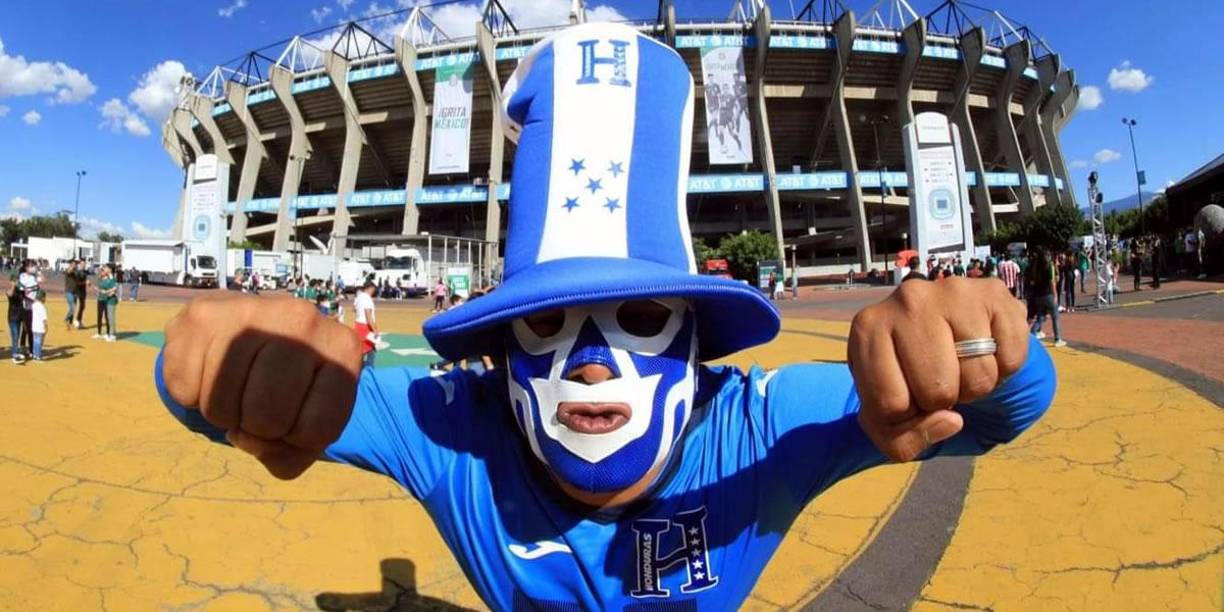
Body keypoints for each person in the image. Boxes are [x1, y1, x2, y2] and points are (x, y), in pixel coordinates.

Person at [155, 24, 1055, 610]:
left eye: (638, 316)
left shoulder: (751, 428)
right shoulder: (455, 428)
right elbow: (212, 398)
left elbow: (999, 410)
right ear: (501, 350)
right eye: (546, 324)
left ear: (698, 344)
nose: (590, 364)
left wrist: (981, 342)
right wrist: (218, 353)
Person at [1027, 251, 1065, 347]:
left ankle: (1033, 333)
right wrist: (1055, 294)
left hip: (1038, 295)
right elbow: (1052, 282)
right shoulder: (1049, 267)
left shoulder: (1035, 268)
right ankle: (1057, 339)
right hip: (1048, 294)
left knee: (1040, 316)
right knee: (1055, 316)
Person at [352, 280, 380, 368]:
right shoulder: (367, 299)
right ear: (370, 288)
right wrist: (374, 329)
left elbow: (354, 309)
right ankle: (368, 369)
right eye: (373, 290)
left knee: (361, 349)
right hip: (365, 326)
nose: (373, 292)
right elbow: (368, 314)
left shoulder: (359, 297)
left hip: (358, 324)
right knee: (370, 350)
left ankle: (359, 366)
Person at [94, 265, 118, 342]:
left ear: (110, 270)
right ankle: (110, 334)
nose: (105, 269)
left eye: (107, 268)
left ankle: (112, 335)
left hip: (111, 301)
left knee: (111, 318)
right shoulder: (108, 277)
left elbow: (114, 289)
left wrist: (107, 292)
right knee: (108, 317)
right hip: (107, 300)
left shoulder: (112, 278)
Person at [6, 274, 24, 363]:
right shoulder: (10, 290)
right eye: (15, 280)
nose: (17, 282)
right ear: (11, 281)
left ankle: (16, 352)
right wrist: (13, 285)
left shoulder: (20, 290)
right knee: (15, 335)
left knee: (17, 336)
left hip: (19, 316)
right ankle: (14, 355)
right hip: (12, 317)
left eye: (17, 280)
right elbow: (10, 294)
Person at [63, 260, 82, 331]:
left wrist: (84, 282)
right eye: (74, 264)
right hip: (69, 292)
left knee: (72, 307)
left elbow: (78, 282)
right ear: (71, 264)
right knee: (73, 307)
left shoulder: (76, 272)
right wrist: (71, 267)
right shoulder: (68, 270)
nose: (75, 265)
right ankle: (69, 320)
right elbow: (68, 271)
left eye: (76, 264)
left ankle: (68, 320)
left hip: (75, 292)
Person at [30, 290, 47, 362]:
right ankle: (38, 356)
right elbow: (44, 319)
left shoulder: (33, 305)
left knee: (35, 341)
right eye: (44, 297)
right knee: (39, 342)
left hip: (34, 327)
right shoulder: (42, 307)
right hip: (40, 327)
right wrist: (46, 327)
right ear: (42, 298)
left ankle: (34, 355)